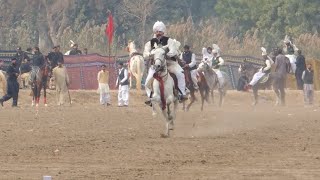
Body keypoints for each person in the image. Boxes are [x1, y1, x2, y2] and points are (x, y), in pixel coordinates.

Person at [143, 21, 187, 106]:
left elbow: (173, 51)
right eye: (157, 31)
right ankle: (150, 97)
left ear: (163, 32)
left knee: (180, 73)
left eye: (160, 31)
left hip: (169, 63)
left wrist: (164, 54)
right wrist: (152, 54)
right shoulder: (149, 43)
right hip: (155, 65)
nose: (158, 33)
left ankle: (182, 93)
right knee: (147, 82)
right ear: (154, 32)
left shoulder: (169, 41)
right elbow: (145, 54)